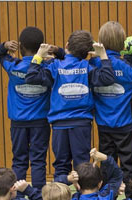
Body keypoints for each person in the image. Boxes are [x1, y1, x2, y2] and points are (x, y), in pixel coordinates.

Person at [25, 30, 115, 185]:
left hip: (59, 124)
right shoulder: (88, 67)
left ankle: (59, 199)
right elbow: (108, 77)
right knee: (82, 165)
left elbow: (31, 77)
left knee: (61, 165)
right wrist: (103, 55)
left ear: (67, 45)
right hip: (81, 124)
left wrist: (39, 55)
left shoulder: (55, 66)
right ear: (88, 53)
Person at [91, 21, 132, 183]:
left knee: (106, 165)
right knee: (128, 168)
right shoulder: (124, 66)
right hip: (124, 125)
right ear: (122, 42)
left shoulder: (93, 64)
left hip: (103, 125)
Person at [0, 27, 52, 190]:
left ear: (20, 46)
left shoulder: (13, 66)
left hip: (18, 122)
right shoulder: (47, 67)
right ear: (42, 47)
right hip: (40, 122)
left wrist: (4, 46)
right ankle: (39, 197)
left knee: (19, 160)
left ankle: (18, 198)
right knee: (38, 161)